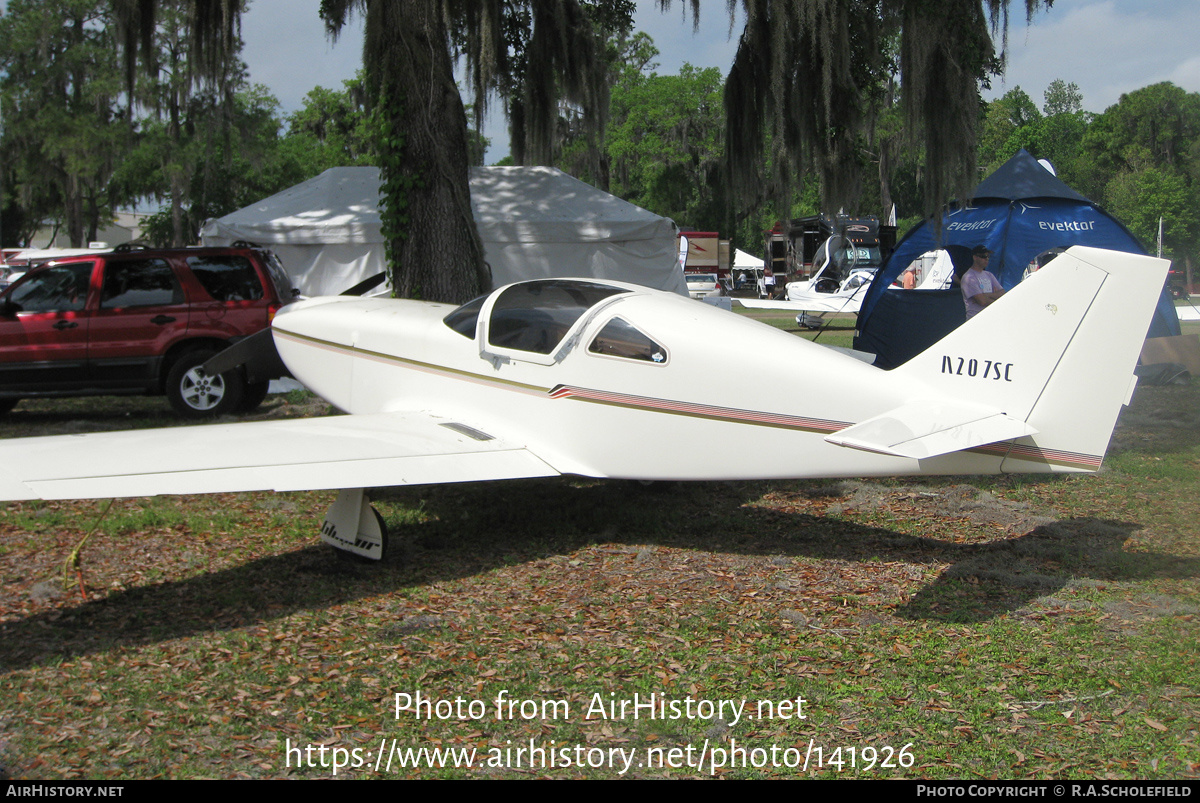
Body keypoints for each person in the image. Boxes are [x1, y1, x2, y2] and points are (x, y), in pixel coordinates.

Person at [961, 245, 1005, 319]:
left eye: (988, 256)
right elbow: (982, 301)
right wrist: (995, 296)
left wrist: (986, 295)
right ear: (975, 257)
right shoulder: (969, 277)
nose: (986, 259)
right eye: (983, 256)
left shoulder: (989, 275)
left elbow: (1003, 293)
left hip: (991, 317)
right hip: (975, 319)